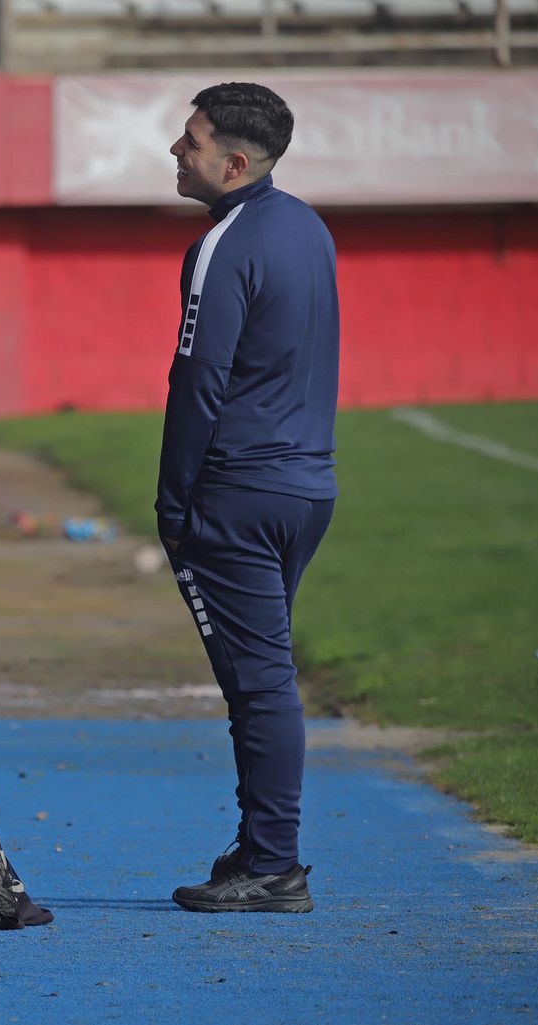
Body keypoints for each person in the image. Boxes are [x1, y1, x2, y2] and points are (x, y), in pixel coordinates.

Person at [157, 84, 339, 912]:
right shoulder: (306, 225)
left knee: (260, 684)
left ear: (234, 163)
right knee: (258, 678)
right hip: (306, 487)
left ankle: (275, 863)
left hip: (237, 494)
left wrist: (173, 501)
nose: (174, 151)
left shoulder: (224, 244)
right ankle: (261, 847)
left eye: (189, 141)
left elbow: (198, 377)